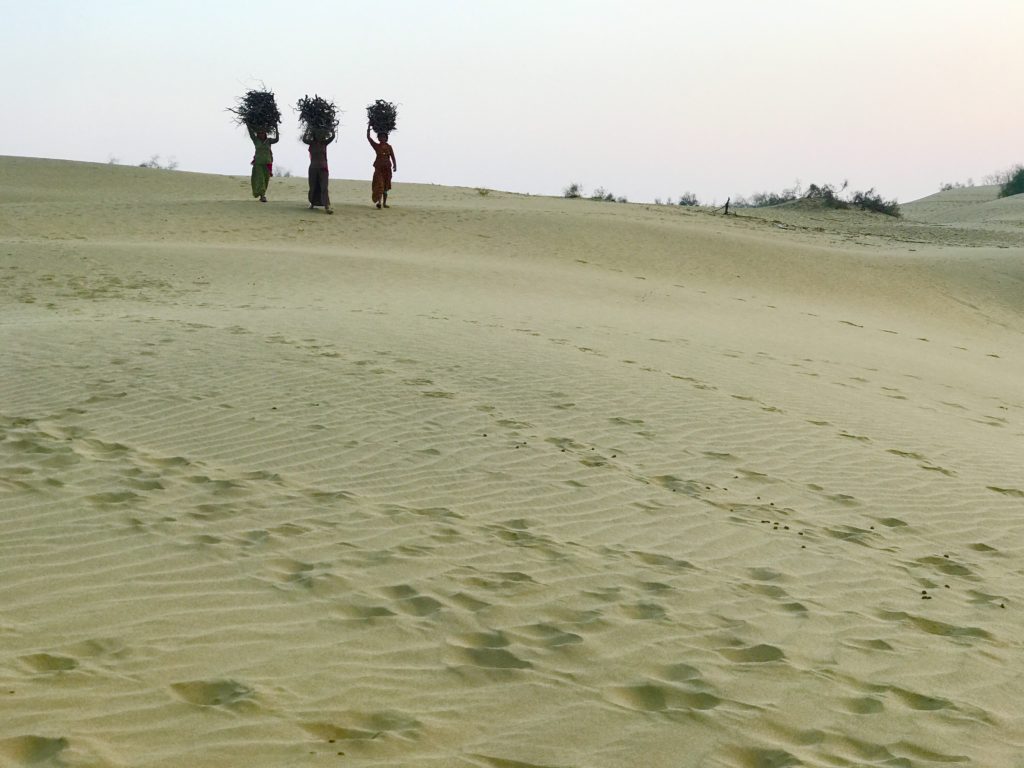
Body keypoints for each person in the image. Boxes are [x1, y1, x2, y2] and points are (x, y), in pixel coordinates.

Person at [303, 129, 335, 214]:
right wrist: (307, 130)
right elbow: (304, 139)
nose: (319, 135)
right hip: (313, 168)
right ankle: (312, 203)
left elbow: (333, 137)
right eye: (317, 134)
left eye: (320, 134)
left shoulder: (324, 143)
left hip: (323, 168)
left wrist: (331, 129)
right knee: (313, 186)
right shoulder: (311, 143)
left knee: (324, 186)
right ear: (314, 135)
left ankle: (326, 206)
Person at [366, 124, 397, 208]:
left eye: (384, 137)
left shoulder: (389, 147)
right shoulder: (377, 146)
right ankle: (379, 202)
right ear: (379, 138)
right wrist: (368, 129)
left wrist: (395, 165)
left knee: (386, 187)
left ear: (386, 138)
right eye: (380, 137)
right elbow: (369, 139)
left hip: (387, 169)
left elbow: (393, 157)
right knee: (380, 185)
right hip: (379, 169)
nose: (382, 138)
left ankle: (384, 203)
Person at [248, 125, 279, 202]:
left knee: (265, 180)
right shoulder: (256, 140)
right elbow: (251, 133)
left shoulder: (269, 141)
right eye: (259, 133)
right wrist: (248, 124)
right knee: (260, 179)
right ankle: (262, 196)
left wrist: (276, 128)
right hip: (258, 163)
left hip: (267, 163)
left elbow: (277, 139)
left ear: (265, 133)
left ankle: (262, 194)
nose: (261, 134)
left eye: (263, 133)